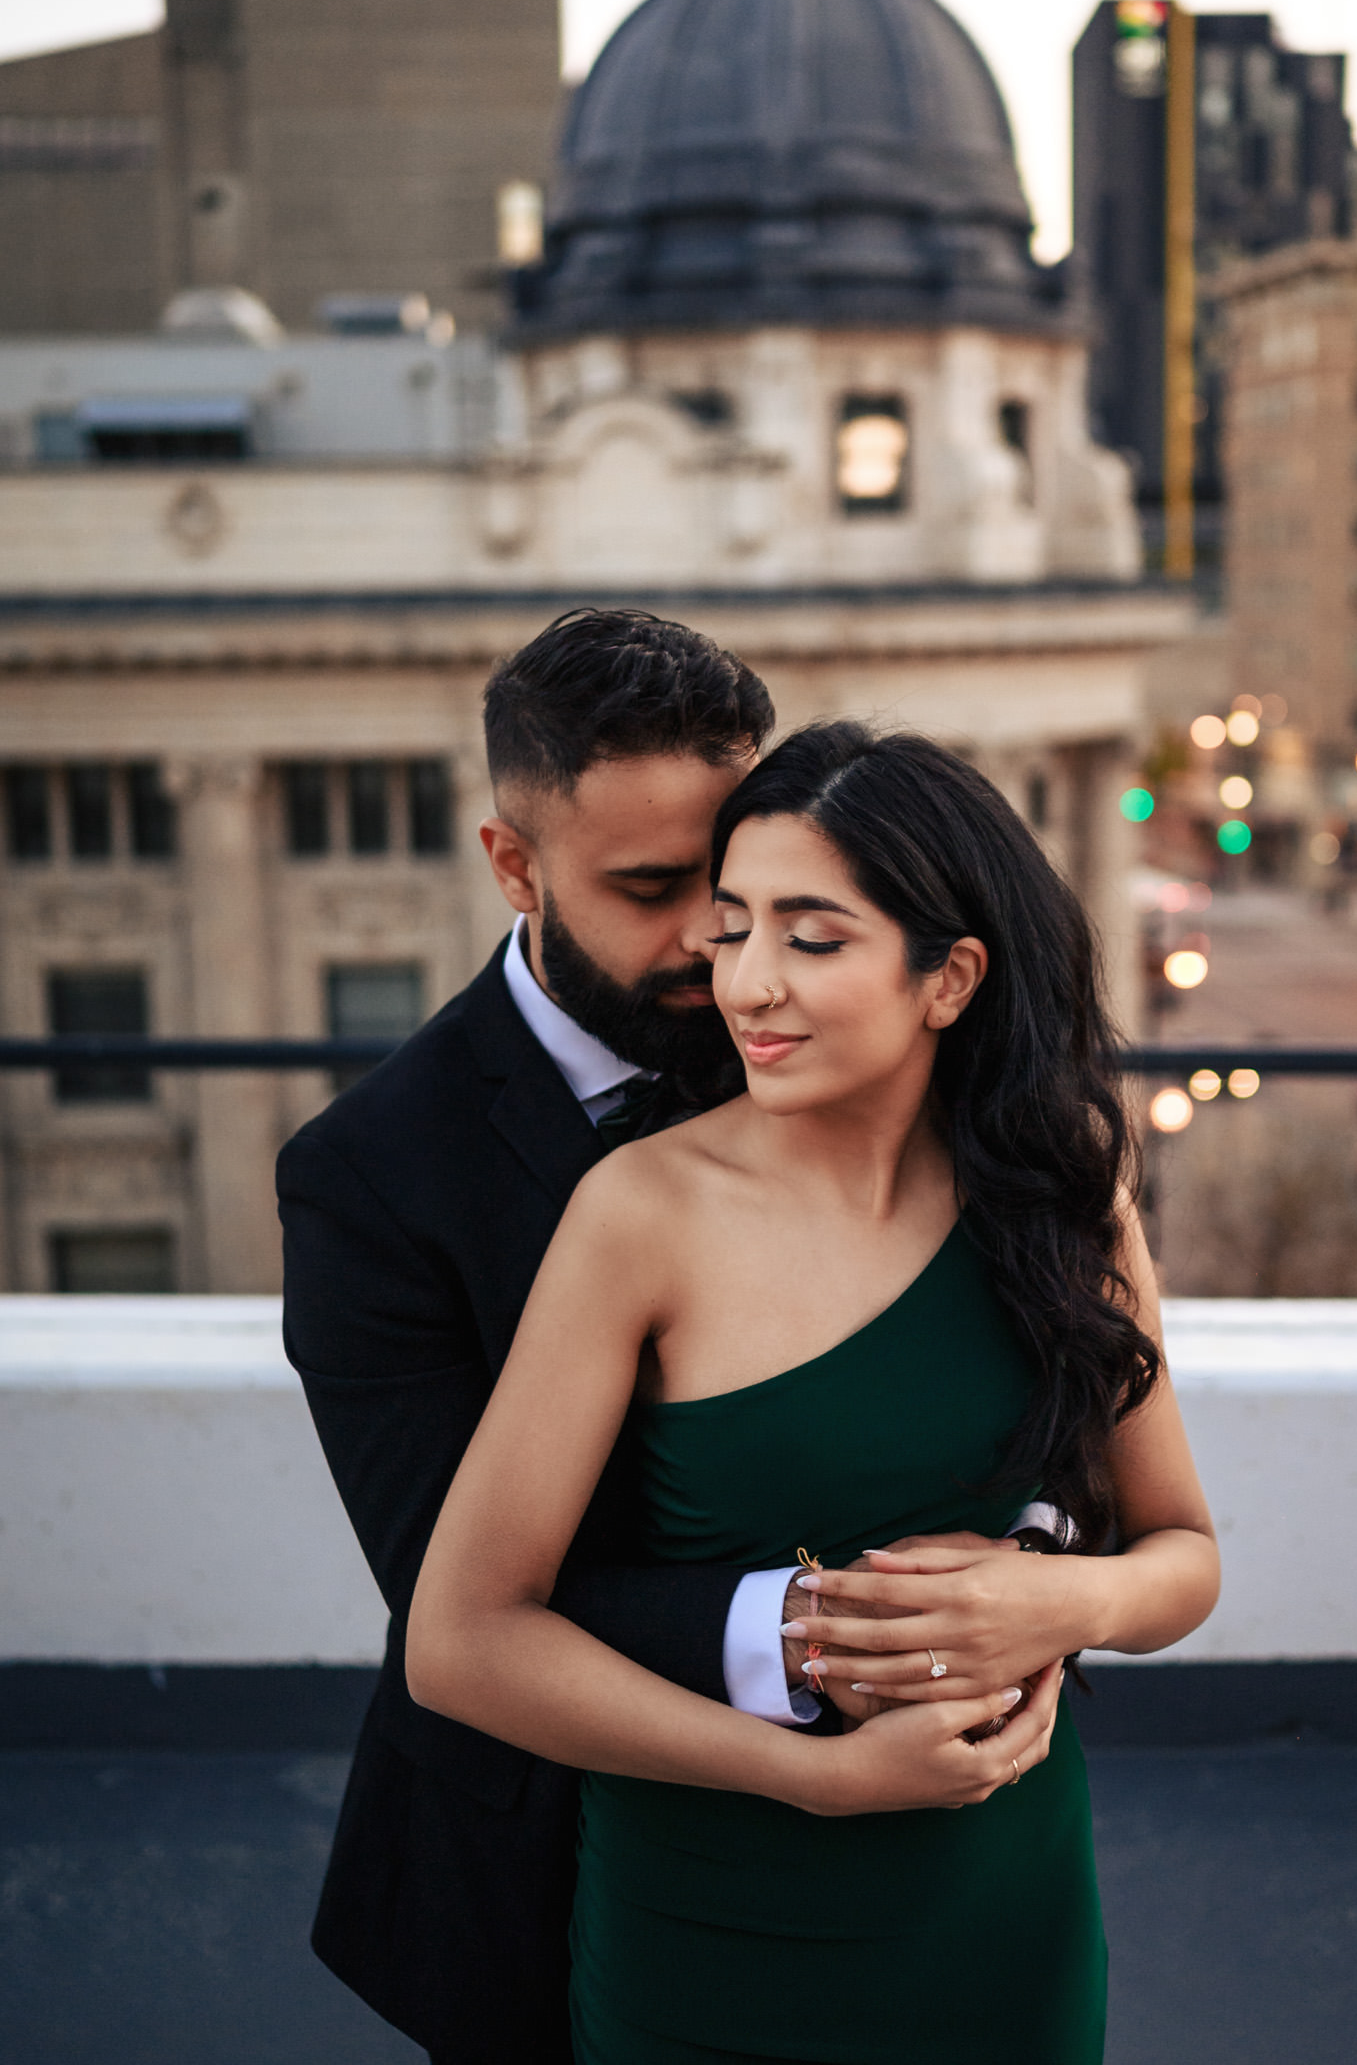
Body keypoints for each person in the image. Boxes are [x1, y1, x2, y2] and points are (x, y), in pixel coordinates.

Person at [279, 613, 1061, 2065]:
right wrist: (846, 1632)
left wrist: (1031, 1576)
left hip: (919, 1849)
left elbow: (1008, 1373)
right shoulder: (370, 1177)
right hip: (533, 1849)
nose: (725, 945)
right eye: (655, 890)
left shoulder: (827, 1032)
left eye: (743, 879)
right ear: (512, 865)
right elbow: (461, 1593)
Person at [408, 721, 1221, 2065]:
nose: (749, 984)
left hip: (1005, 1925)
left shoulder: (1063, 1181)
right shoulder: (640, 1214)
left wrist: (1066, 1601)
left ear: (949, 977)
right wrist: (820, 1778)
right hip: (712, 1941)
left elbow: (1184, 1556)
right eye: (733, 927)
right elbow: (465, 1639)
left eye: (813, 936)